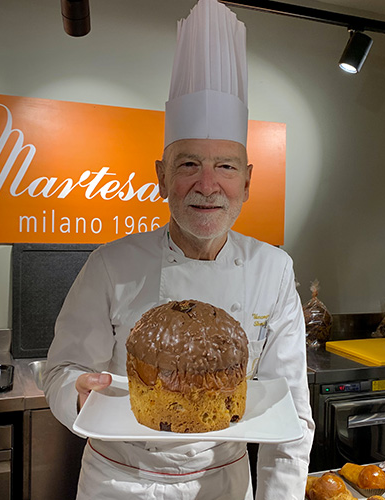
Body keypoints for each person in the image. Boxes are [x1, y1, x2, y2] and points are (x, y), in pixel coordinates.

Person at [43, 1, 314, 498]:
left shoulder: (273, 269)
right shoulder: (111, 264)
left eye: (227, 167)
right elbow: (60, 370)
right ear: (161, 177)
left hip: (224, 483)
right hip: (119, 482)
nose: (207, 186)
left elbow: (291, 410)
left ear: (248, 182)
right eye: (188, 164)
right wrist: (75, 395)